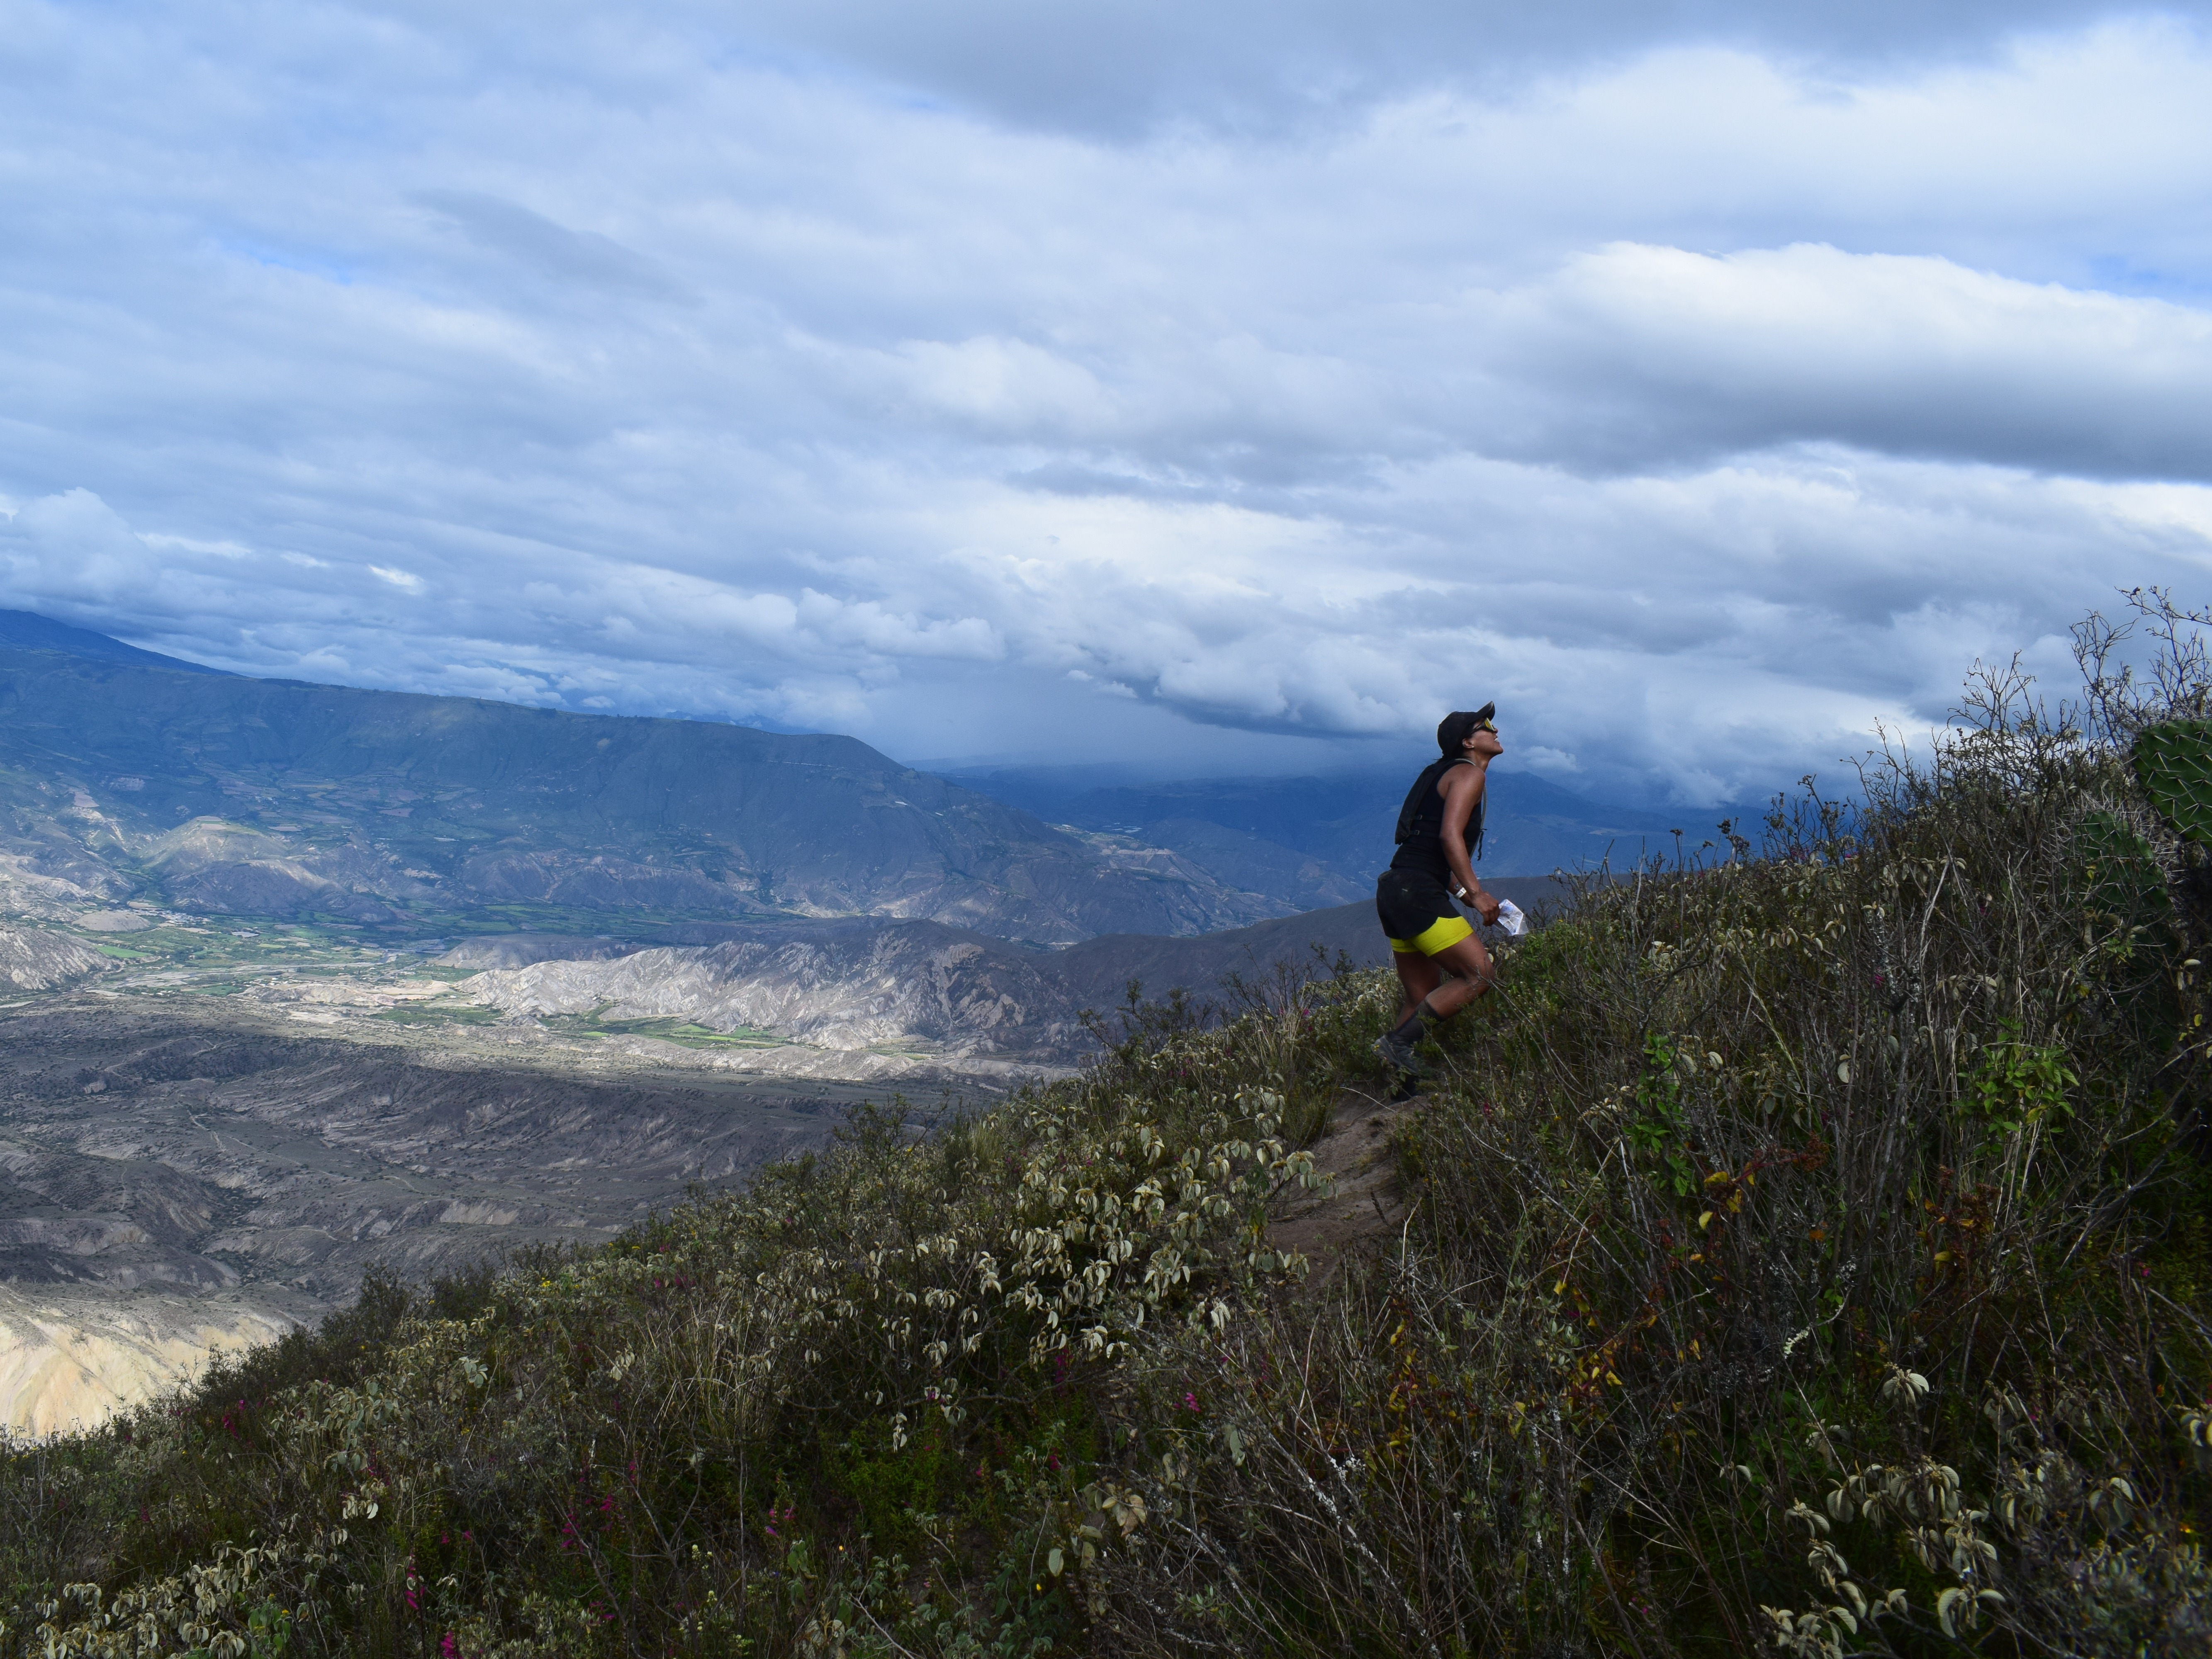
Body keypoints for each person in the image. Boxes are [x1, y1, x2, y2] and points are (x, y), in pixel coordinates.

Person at [1372, 705, 1504, 1078]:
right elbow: (1449, 838)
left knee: (1420, 994)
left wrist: (1466, 896)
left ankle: (1399, 1084)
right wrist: (1476, 894)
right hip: (1415, 891)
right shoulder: (1468, 774)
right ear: (1467, 742)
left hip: (1396, 890)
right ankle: (1396, 1046)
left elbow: (1432, 855)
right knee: (1479, 975)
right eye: (1486, 727)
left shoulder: (1440, 774)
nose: (1495, 731)